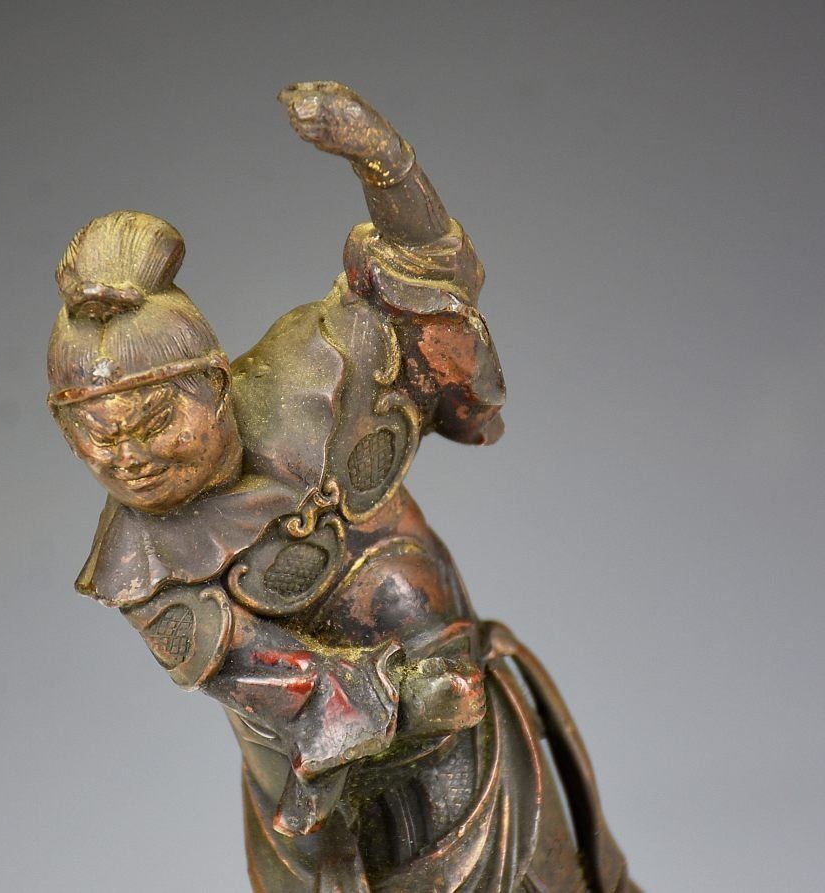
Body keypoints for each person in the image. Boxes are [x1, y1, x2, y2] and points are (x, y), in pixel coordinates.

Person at [46, 82, 640, 893]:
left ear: (213, 385)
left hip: (467, 718)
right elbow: (271, 679)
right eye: (94, 435)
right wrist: (406, 702)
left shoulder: (323, 371)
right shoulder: (145, 568)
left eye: (152, 420)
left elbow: (427, 277)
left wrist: (383, 160)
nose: (129, 458)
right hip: (326, 786)